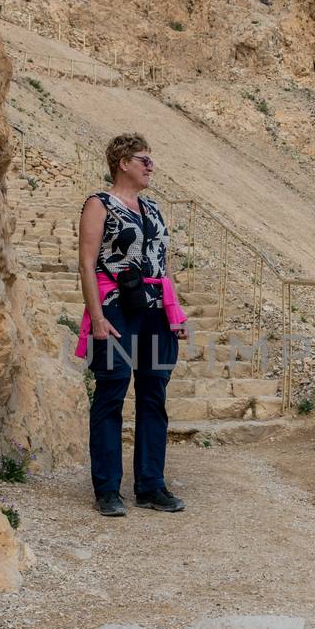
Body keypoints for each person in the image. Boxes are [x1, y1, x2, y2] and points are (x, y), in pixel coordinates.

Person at [75, 133, 188, 517]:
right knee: (112, 391)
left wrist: (177, 313)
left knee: (154, 394)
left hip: (156, 312)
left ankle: (151, 485)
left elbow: (162, 264)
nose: (150, 166)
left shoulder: (153, 209)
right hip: (115, 309)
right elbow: (87, 263)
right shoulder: (99, 204)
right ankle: (107, 488)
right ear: (122, 162)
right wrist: (98, 318)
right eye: (144, 159)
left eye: (151, 160)